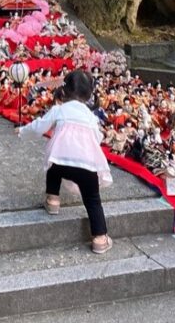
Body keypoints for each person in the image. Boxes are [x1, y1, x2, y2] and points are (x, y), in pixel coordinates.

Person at [17, 69, 113, 254]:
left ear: (65, 90)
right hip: (86, 165)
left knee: (53, 167)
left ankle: (53, 200)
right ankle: (100, 238)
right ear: (89, 94)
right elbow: (97, 137)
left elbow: (39, 127)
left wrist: (22, 131)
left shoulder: (59, 110)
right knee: (93, 199)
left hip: (61, 161)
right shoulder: (91, 117)